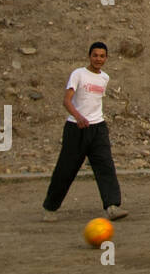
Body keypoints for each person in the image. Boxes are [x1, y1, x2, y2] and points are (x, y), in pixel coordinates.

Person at [41, 41, 129, 222]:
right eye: (95, 55)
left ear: (106, 58)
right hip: (76, 128)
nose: (98, 59)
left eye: (102, 56)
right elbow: (67, 101)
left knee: (105, 166)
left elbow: (95, 102)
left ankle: (112, 206)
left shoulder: (104, 78)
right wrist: (78, 116)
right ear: (89, 56)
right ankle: (50, 208)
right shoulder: (78, 74)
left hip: (98, 128)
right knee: (66, 169)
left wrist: (93, 119)